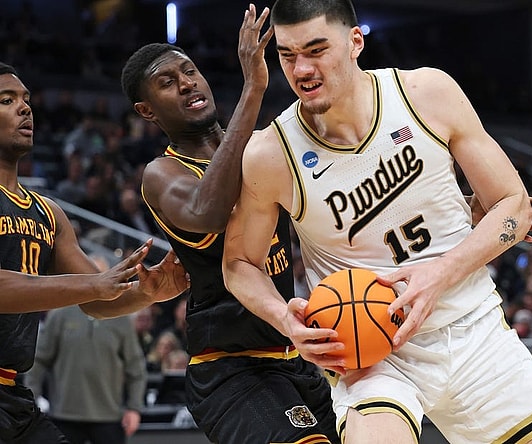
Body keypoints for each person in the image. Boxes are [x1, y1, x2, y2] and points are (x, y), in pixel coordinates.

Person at [221, 1, 532, 443]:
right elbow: (238, 263)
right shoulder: (270, 154)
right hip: (370, 351)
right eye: (288, 55)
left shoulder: (425, 94)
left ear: (355, 42)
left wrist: (440, 273)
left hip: (472, 327)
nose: (302, 69)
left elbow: (513, 205)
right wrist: (286, 320)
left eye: (317, 50)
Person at [119, 5, 338, 443]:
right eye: (167, 82)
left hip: (293, 354)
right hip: (230, 367)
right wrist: (253, 88)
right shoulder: (162, 174)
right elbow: (208, 212)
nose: (186, 83)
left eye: (190, 72)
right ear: (147, 110)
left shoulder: (262, 150)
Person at [0, 62, 188, 444]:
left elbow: (96, 302)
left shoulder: (48, 213)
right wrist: (94, 284)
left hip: (11, 394)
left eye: (26, 99)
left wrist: (147, 293)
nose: (25, 108)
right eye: (7, 100)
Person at [26, 305, 147, 444]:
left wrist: (134, 408)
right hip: (64, 415)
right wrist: (32, 399)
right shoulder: (59, 315)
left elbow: (136, 369)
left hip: (109, 416)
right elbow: (39, 360)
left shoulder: (122, 318)